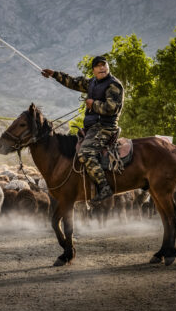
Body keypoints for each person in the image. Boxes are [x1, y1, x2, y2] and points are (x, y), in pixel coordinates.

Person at [41, 56, 124, 203]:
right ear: (93, 70)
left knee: (85, 153)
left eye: (104, 65)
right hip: (91, 127)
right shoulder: (92, 82)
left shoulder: (113, 85)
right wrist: (54, 74)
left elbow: (112, 108)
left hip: (105, 127)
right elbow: (73, 82)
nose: (102, 68)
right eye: (98, 66)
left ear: (108, 67)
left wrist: (93, 104)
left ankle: (104, 187)